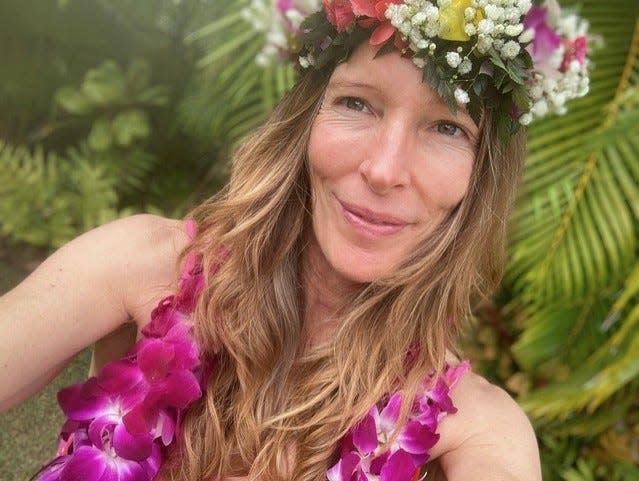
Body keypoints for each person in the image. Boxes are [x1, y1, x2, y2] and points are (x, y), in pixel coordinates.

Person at [1, 0, 592, 479]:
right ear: (305, 122)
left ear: (479, 178)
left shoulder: (475, 429)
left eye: (446, 127)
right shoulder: (139, 267)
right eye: (357, 103)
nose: (384, 170)